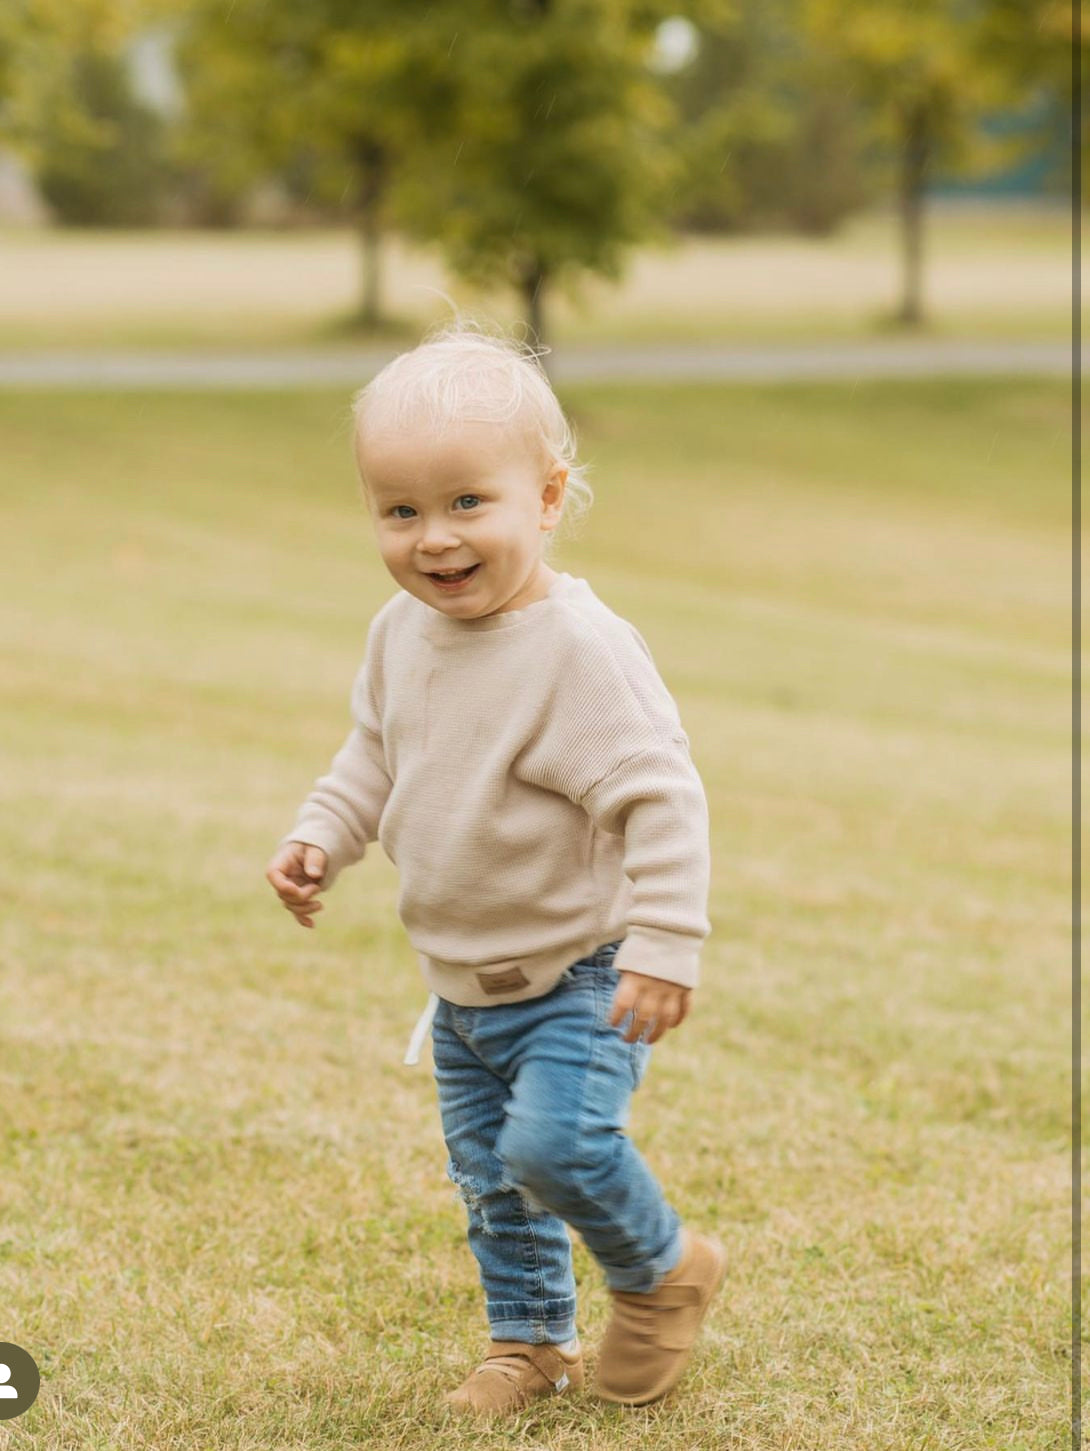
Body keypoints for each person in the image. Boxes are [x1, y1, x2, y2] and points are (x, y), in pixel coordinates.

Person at [265, 319, 727, 1417]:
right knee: (495, 1182)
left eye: (469, 501)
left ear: (549, 497)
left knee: (554, 1143)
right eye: (400, 510)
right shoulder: (399, 631)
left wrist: (664, 943)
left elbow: (659, 794)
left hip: (579, 971)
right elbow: (375, 752)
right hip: (461, 985)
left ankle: (663, 1270)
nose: (434, 539)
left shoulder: (576, 649)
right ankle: (532, 1344)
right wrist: (322, 832)